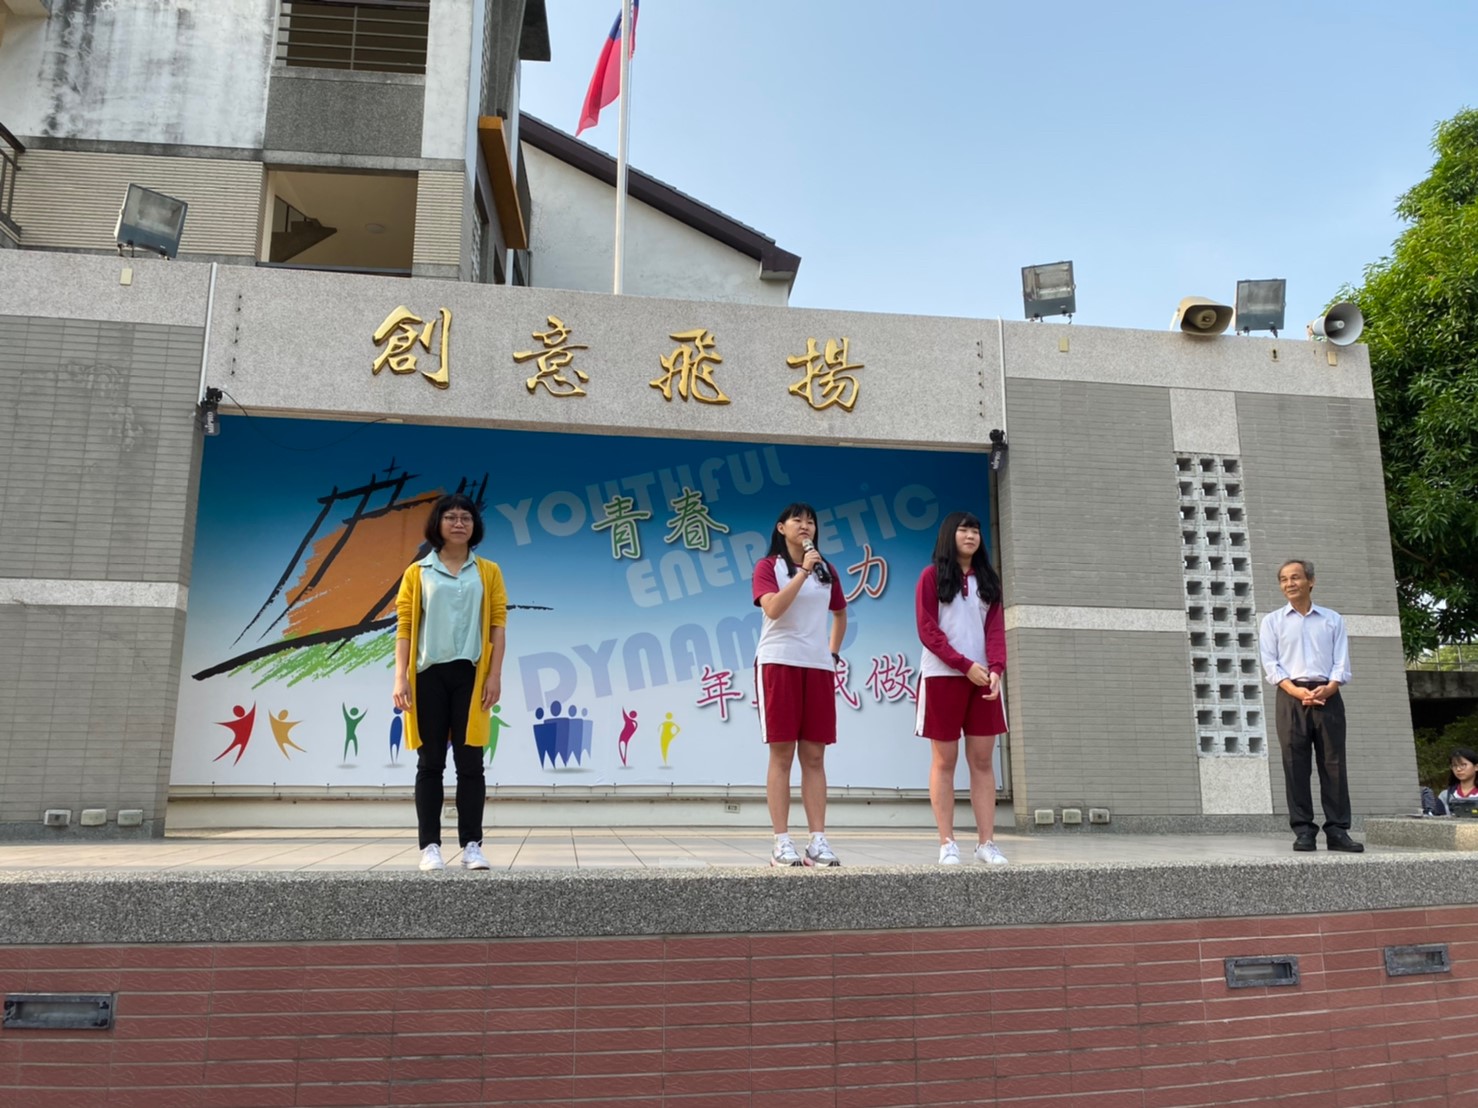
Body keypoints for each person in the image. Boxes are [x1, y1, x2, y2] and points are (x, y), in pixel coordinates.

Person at [393, 493, 507, 872]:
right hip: (427, 675)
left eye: (466, 518)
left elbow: (497, 625)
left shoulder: (488, 571)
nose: (459, 524)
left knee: (470, 762)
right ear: (437, 524)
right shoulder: (417, 572)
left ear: (475, 526)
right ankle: (430, 847)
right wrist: (400, 677)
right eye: (451, 517)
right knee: (430, 763)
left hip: (471, 676)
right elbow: (405, 628)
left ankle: (472, 845)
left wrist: (494, 675)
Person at [752, 502, 847, 867]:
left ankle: (817, 841)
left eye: (811, 521)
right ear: (781, 528)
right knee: (782, 754)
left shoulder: (827, 570)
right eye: (797, 520)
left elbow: (840, 613)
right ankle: (781, 842)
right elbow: (773, 608)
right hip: (779, 662)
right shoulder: (769, 567)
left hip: (817, 667)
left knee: (815, 756)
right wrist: (803, 572)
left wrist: (832, 653)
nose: (805, 525)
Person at [914, 511, 1008, 866]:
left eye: (976, 530)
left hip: (983, 680)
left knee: (982, 761)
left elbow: (995, 631)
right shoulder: (931, 577)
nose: (971, 536)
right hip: (942, 677)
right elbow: (927, 630)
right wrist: (963, 664)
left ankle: (986, 843)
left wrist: (996, 669)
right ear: (949, 535)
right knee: (945, 760)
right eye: (964, 529)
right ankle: (947, 842)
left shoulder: (988, 581)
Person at [1258, 558, 1361, 852]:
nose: (1289, 583)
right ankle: (1303, 830)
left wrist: (1330, 687)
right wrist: (1295, 691)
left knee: (1334, 764)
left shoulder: (1332, 619)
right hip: (1290, 697)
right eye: (1283, 579)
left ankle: (1338, 831)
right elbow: (1271, 664)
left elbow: (1341, 662)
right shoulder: (1272, 622)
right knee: (1295, 764)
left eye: (1295, 577)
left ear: (1311, 581)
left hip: (1328, 695)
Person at [1440, 747, 1478, 817]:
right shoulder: (1445, 796)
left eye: (1463, 765)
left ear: (1476, 767)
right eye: (1454, 766)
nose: (1458, 769)